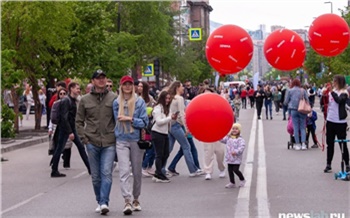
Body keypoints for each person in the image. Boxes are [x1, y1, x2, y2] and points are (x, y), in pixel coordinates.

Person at [76, 70, 117, 215]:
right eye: (98, 78)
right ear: (92, 81)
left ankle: (104, 202)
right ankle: (99, 200)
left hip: (109, 141)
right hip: (91, 141)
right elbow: (79, 121)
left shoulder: (113, 98)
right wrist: (84, 138)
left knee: (106, 172)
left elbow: (117, 118)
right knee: (95, 176)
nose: (101, 81)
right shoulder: (85, 100)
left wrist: (117, 136)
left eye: (103, 78)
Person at [112, 75, 149, 215]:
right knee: (124, 171)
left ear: (133, 86)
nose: (127, 86)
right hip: (121, 139)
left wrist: (130, 119)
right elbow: (116, 120)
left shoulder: (139, 102)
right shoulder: (116, 103)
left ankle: (136, 199)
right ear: (121, 86)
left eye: (130, 84)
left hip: (135, 139)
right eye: (125, 84)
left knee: (137, 171)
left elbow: (144, 122)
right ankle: (127, 200)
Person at [50, 82, 90, 178]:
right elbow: (64, 118)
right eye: (77, 88)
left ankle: (90, 169)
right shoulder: (66, 101)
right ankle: (54, 170)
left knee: (80, 147)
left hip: (70, 128)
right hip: (65, 129)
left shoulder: (72, 100)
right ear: (71, 89)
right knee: (59, 149)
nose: (79, 90)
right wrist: (70, 132)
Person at [167, 81, 203, 177]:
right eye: (182, 86)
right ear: (177, 87)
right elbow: (182, 114)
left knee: (169, 148)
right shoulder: (179, 98)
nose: (183, 88)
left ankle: (161, 168)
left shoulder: (171, 98)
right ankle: (193, 170)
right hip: (177, 125)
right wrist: (186, 127)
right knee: (186, 146)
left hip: (170, 125)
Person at [324, 75, 349, 173]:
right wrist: (324, 95)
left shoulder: (344, 92)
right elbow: (326, 103)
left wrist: (332, 92)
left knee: (342, 144)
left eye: (335, 81)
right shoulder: (332, 92)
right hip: (330, 121)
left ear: (340, 82)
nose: (333, 83)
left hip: (340, 122)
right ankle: (328, 164)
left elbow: (339, 101)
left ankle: (347, 164)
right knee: (330, 144)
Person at [151, 91, 178, 182]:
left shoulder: (167, 108)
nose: (167, 100)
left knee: (165, 153)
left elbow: (168, 120)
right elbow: (159, 122)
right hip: (157, 132)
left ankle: (158, 172)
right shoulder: (157, 108)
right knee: (159, 154)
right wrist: (170, 118)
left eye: (169, 98)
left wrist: (173, 117)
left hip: (164, 133)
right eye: (166, 98)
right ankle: (159, 174)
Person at [284, 79, 309, 150]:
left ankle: (297, 144)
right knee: (303, 127)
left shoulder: (290, 91)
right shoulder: (303, 90)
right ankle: (303, 144)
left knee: (295, 127)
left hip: (293, 110)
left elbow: (286, 101)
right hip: (302, 110)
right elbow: (307, 100)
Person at [138, 81, 157, 177]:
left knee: (150, 146)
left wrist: (152, 111)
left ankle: (149, 166)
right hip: (141, 125)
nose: (139, 88)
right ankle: (143, 166)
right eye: (139, 86)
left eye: (141, 86)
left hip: (149, 125)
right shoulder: (136, 98)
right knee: (146, 147)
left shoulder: (150, 98)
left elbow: (155, 108)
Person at [221, 123, 246, 188]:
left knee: (235, 170)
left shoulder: (240, 139)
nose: (234, 130)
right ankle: (232, 182)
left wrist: (236, 152)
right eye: (233, 129)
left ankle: (242, 179)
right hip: (229, 158)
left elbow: (242, 147)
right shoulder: (228, 137)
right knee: (230, 170)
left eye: (236, 129)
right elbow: (222, 140)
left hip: (236, 158)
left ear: (239, 130)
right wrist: (219, 136)